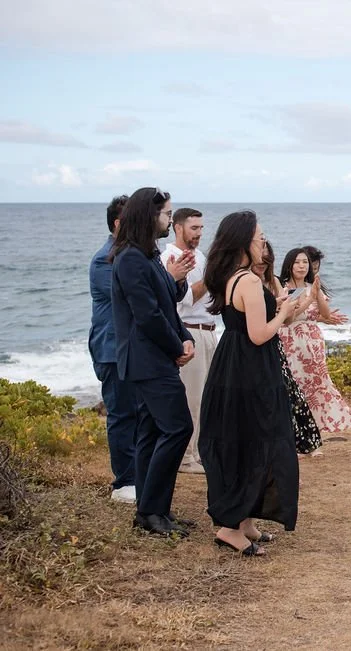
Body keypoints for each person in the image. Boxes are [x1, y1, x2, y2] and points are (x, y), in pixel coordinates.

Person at [199, 211, 301, 556]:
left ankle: (244, 521)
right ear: (244, 241)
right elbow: (259, 335)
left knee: (246, 437)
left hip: (234, 363)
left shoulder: (233, 276)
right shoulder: (249, 281)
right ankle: (230, 528)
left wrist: (278, 308)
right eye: (260, 237)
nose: (264, 242)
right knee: (258, 438)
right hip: (251, 368)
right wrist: (283, 314)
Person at [110, 187, 195, 537]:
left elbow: (166, 304)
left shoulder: (149, 255)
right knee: (178, 428)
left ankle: (150, 511)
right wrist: (176, 347)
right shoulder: (130, 258)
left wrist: (185, 337)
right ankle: (152, 510)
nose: (170, 220)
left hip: (155, 356)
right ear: (150, 216)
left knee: (151, 432)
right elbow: (147, 315)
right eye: (167, 214)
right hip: (147, 360)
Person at [278, 247, 351, 436]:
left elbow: (325, 313)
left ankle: (315, 432)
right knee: (293, 384)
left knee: (317, 383)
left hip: (312, 341)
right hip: (290, 340)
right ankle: (294, 432)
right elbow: (288, 317)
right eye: (297, 262)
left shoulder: (312, 286)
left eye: (305, 262)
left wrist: (317, 293)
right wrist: (309, 299)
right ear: (289, 265)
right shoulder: (283, 287)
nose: (302, 266)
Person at [89, 194, 137, 503]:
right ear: (119, 224)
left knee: (139, 414)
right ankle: (124, 483)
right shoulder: (103, 260)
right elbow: (133, 299)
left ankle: (138, 478)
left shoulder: (135, 257)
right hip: (112, 349)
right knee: (121, 415)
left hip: (133, 349)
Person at [160, 207, 216, 474]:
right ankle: (185, 458)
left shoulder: (200, 256)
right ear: (178, 227)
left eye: (201, 228)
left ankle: (198, 452)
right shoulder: (169, 257)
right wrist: (212, 278)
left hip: (209, 329)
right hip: (189, 330)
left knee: (206, 398)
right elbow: (182, 300)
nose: (199, 233)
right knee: (191, 398)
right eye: (194, 228)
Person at [255, 241, 323, 458]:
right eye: (259, 256)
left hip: (277, 340)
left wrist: (306, 300)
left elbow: (288, 318)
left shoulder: (274, 281)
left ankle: (304, 442)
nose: (262, 262)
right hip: (267, 340)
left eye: (267, 258)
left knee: (294, 393)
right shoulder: (247, 282)